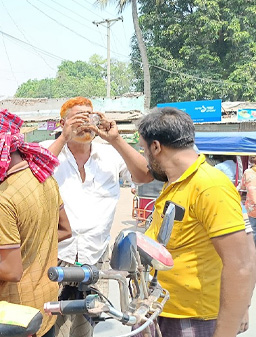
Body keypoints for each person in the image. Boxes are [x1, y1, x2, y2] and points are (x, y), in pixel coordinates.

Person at [138, 107, 256, 337]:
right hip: (161, 309)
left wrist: (229, 327)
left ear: (156, 146)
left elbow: (241, 263)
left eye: (144, 150)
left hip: (191, 318)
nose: (145, 159)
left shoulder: (209, 185)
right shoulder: (176, 182)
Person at [42, 97, 152, 337]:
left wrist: (116, 139)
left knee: (85, 328)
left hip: (95, 257)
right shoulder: (50, 152)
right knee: (50, 326)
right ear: (63, 122)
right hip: (55, 255)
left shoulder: (110, 155)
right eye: (77, 118)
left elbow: (145, 175)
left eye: (88, 117)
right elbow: (34, 174)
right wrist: (64, 137)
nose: (84, 124)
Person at [0, 109, 72, 337]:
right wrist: (26, 246)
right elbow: (65, 230)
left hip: (19, 315)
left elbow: (11, 270)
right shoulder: (44, 176)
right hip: (47, 307)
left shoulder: (3, 198)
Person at [239, 156, 256, 243]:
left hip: (252, 207)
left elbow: (242, 187)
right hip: (251, 207)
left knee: (252, 230)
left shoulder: (248, 172)